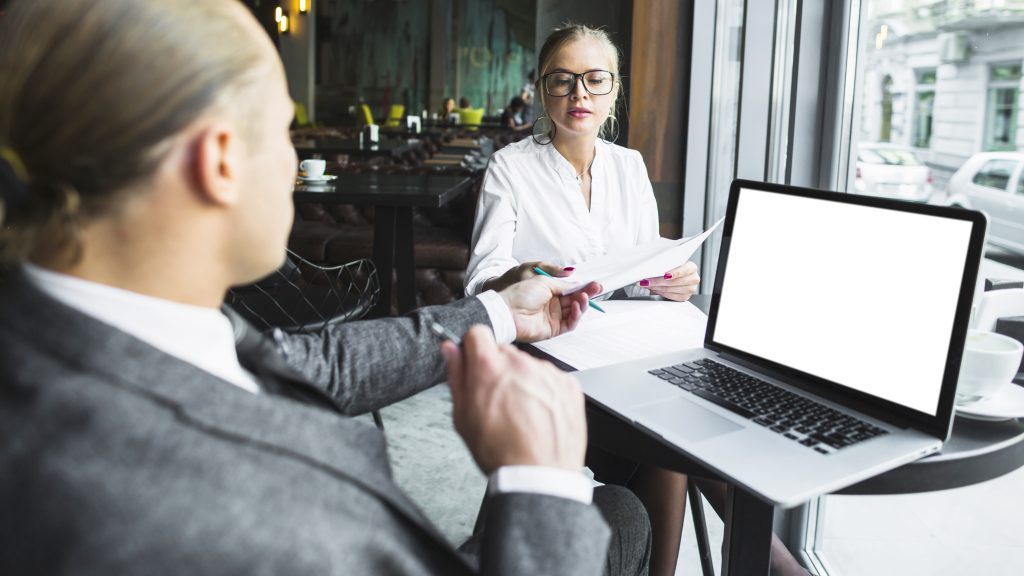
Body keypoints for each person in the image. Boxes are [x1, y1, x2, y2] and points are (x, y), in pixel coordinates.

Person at [0, 2, 652, 575]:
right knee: (620, 517)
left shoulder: (102, 321)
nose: (294, 159)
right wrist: (541, 482)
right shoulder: (195, 511)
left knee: (622, 508)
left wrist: (501, 313)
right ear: (220, 160)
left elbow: (310, 361)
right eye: (283, 130)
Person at [465, 23, 810, 576]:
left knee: (678, 424)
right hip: (550, 364)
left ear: (614, 90)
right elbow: (481, 276)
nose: (580, 95)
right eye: (563, 80)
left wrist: (673, 280)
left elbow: (645, 270)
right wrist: (524, 274)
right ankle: (775, 564)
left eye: (595, 80)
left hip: (623, 350)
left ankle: (764, 563)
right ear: (542, 89)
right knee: (672, 436)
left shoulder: (629, 166)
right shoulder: (512, 167)